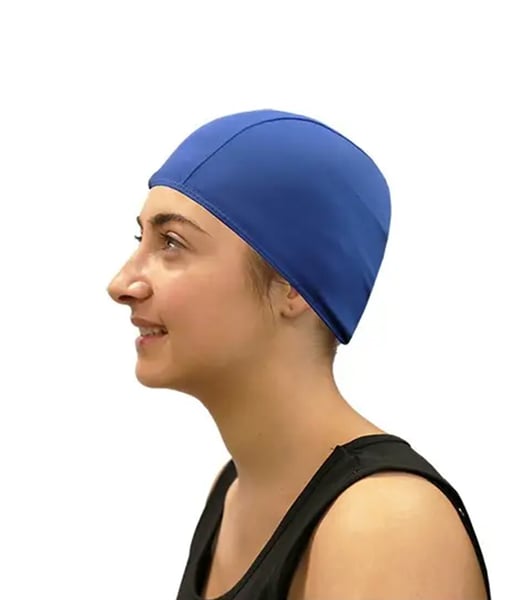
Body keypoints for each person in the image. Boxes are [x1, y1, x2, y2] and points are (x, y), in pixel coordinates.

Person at [107, 109, 491, 600]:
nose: (122, 283)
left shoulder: (385, 525)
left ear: (293, 286)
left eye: (172, 243)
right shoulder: (233, 491)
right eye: (141, 238)